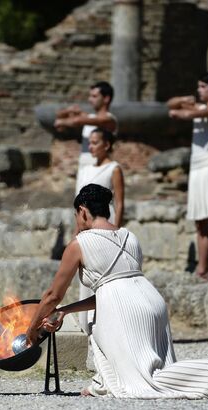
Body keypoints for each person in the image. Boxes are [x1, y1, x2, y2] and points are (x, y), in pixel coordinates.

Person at [25, 184, 208, 399]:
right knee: (152, 369)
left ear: (82, 211)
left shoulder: (79, 244)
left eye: (76, 215)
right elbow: (114, 290)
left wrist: (31, 329)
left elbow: (53, 295)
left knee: (145, 382)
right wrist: (65, 311)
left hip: (124, 312)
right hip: (153, 303)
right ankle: (103, 383)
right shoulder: (130, 236)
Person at [168, 72, 208, 279]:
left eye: (203, 87)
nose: (199, 90)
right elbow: (171, 105)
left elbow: (189, 115)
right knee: (200, 221)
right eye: (199, 87)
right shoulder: (200, 108)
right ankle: (202, 268)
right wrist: (184, 101)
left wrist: (185, 111)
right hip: (196, 167)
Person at [74, 128, 125, 333]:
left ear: (107, 144)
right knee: (86, 271)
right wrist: (76, 229)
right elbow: (78, 205)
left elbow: (120, 203)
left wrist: (117, 233)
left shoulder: (114, 168)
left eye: (96, 142)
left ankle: (105, 324)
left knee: (102, 272)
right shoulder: (85, 169)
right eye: (90, 143)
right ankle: (85, 325)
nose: (91, 147)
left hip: (105, 222)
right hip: (85, 224)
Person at [54, 81, 118, 189]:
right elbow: (59, 118)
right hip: (84, 166)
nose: (90, 99)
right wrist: (69, 110)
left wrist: (65, 121)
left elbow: (77, 121)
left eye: (94, 96)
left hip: (101, 167)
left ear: (106, 98)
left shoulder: (109, 119)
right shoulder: (90, 118)